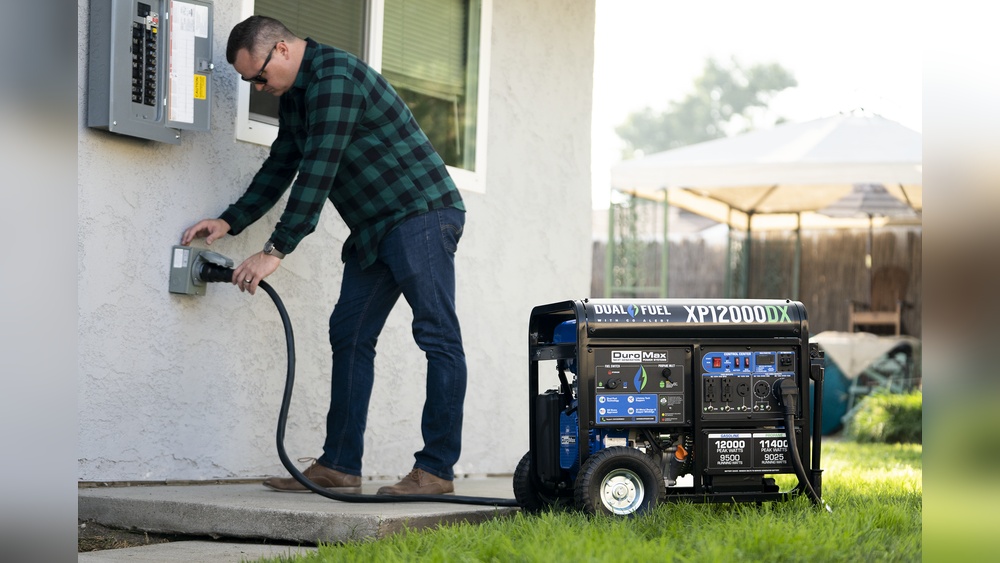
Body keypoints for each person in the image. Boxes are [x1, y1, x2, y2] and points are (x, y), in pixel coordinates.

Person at [181, 15, 467, 496]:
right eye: (250, 81)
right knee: (350, 334)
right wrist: (231, 220)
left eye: (258, 76)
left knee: (437, 335)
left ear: (284, 51)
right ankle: (340, 465)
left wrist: (276, 250)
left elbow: (318, 168)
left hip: (422, 214)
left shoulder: (336, 78)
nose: (258, 86)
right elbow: (283, 164)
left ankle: (436, 469)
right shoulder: (296, 95)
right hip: (375, 227)